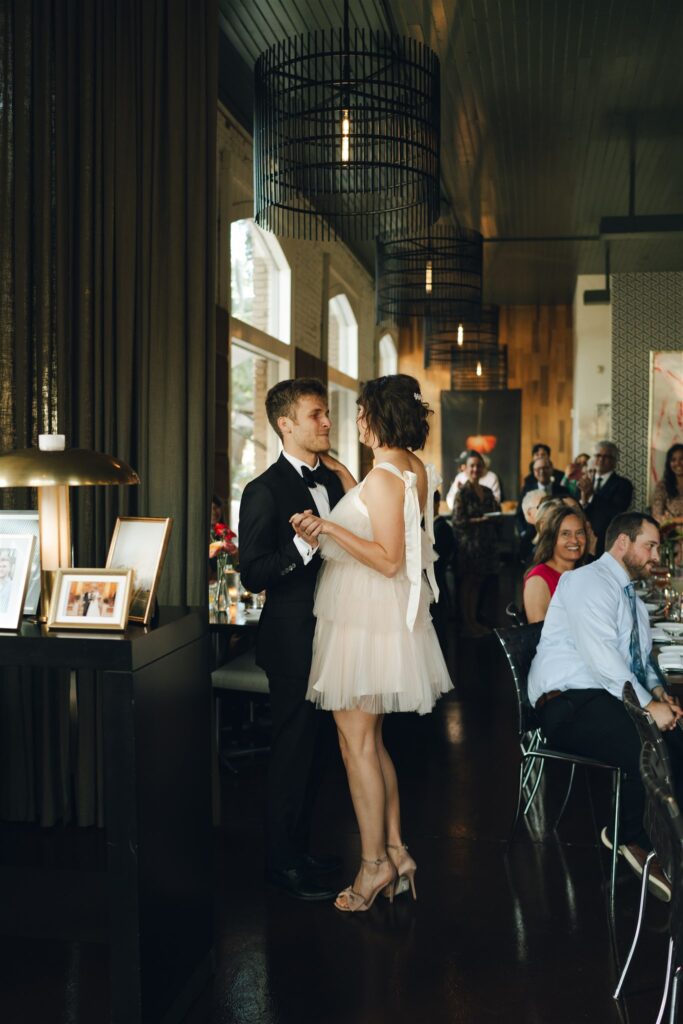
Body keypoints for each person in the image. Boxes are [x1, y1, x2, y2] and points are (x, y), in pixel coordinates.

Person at [290, 374, 452, 912]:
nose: (353, 421)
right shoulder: (410, 468)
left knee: (355, 744)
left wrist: (328, 529)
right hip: (382, 623)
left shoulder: (385, 478)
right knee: (370, 741)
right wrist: (344, 476)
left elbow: (387, 558)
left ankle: (374, 865)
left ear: (375, 417)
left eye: (359, 413)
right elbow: (388, 510)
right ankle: (397, 851)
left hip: (363, 622)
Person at [528, 512, 683, 900]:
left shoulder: (628, 590)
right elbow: (603, 659)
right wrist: (649, 707)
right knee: (651, 744)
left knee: (675, 741)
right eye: (649, 545)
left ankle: (668, 848)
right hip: (566, 705)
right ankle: (627, 837)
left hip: (601, 695)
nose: (655, 555)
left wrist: (658, 691)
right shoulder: (585, 582)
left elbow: (639, 658)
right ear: (622, 544)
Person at [239, 378, 346, 901]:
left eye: (326, 414)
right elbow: (252, 573)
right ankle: (281, 864)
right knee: (292, 752)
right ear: (286, 424)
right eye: (316, 414)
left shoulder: (335, 482)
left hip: (337, 633)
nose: (327, 422)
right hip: (293, 639)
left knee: (320, 751)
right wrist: (302, 550)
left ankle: (302, 850)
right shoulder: (263, 490)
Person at [452, 450, 500, 636]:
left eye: (478, 465)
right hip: (469, 547)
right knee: (468, 585)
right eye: (472, 465)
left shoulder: (487, 491)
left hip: (485, 545)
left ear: (483, 468)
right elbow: (457, 521)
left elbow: (496, 515)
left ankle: (474, 621)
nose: (475, 469)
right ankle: (467, 623)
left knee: (479, 584)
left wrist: (492, 519)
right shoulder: (462, 493)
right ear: (465, 468)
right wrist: (480, 521)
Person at [523, 505, 587, 623]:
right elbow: (539, 635)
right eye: (565, 534)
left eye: (579, 533)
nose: (574, 540)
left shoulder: (584, 573)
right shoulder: (538, 580)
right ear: (552, 539)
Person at [578, 440, 633, 555]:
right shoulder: (585, 480)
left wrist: (592, 495)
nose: (601, 459)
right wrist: (583, 498)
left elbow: (616, 511)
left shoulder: (623, 484)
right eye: (598, 455)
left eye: (606, 456)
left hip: (606, 541)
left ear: (614, 461)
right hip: (582, 538)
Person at [516, 457, 568, 562]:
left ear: (551, 469)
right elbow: (519, 515)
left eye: (545, 468)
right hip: (531, 537)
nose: (542, 471)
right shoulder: (526, 490)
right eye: (538, 469)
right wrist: (523, 532)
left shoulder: (562, 490)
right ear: (534, 472)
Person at [652, 443, 683, 522]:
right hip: (671, 532)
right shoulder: (662, 486)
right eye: (673, 460)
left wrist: (673, 519)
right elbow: (657, 516)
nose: (678, 463)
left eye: (682, 459)